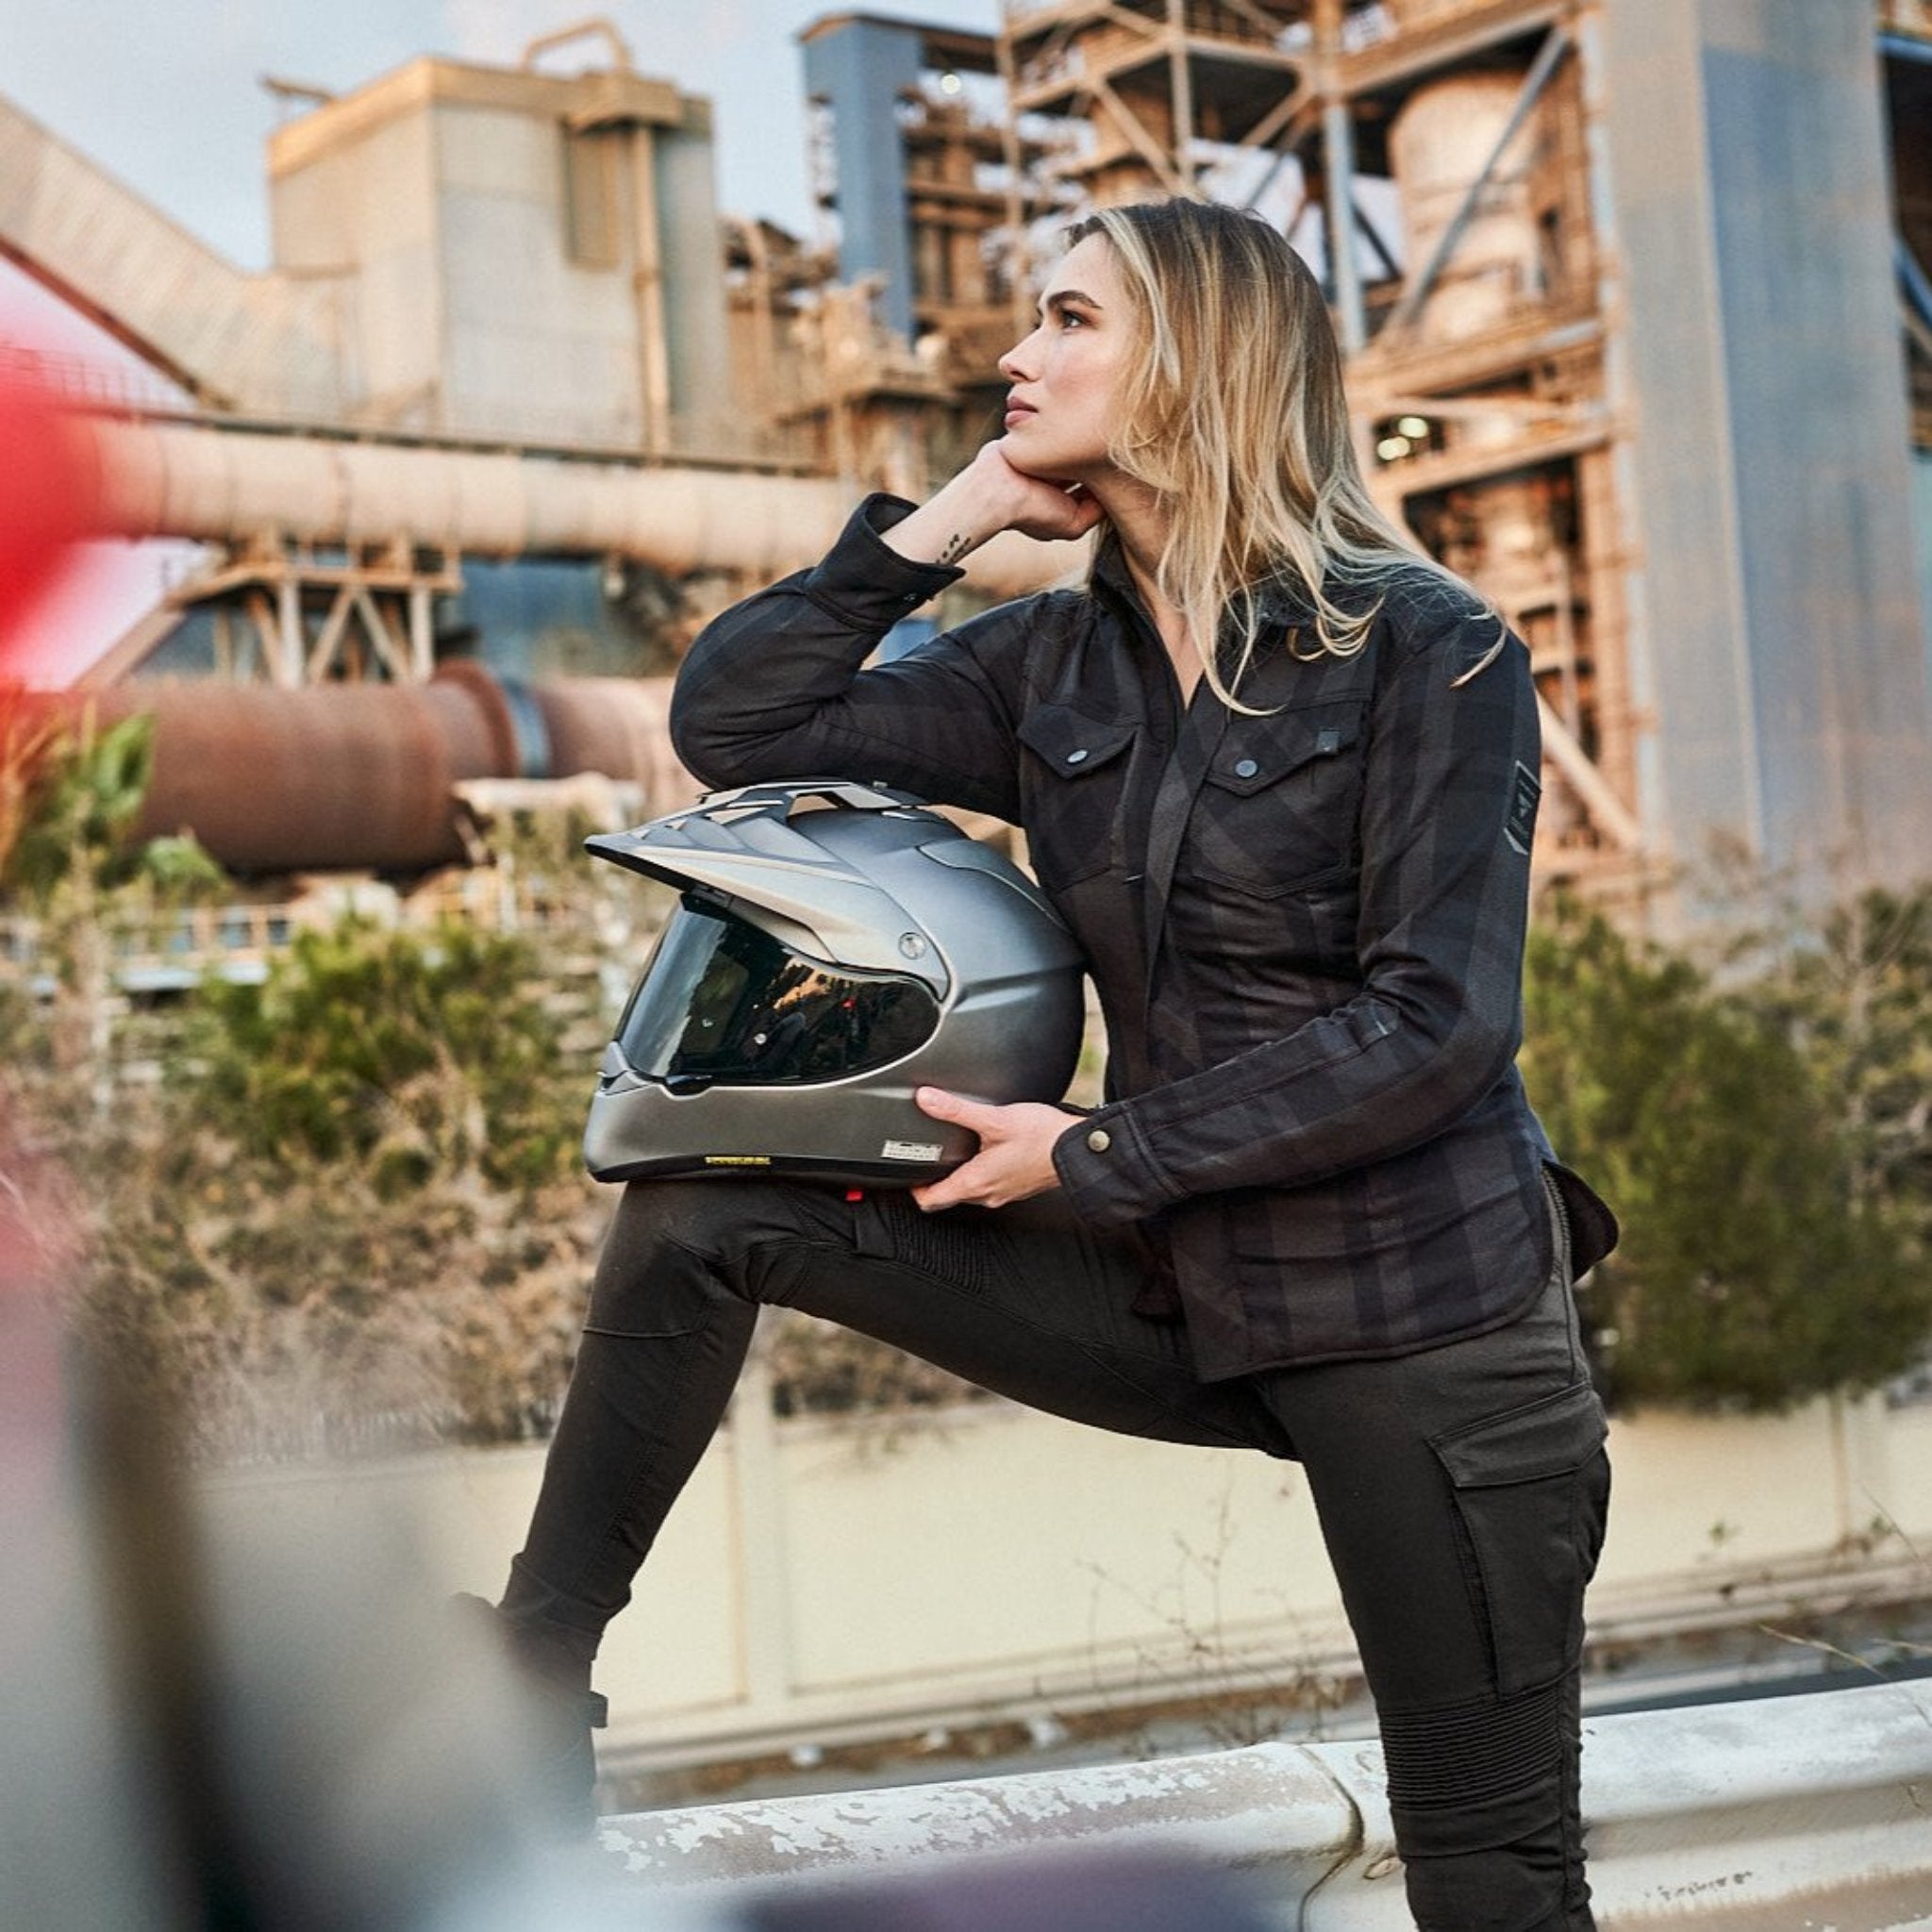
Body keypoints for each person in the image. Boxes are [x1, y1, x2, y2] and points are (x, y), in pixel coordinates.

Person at [474, 197, 1618, 1930]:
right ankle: (523, 1690)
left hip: (1422, 1328)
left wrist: (1091, 1160)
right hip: (1177, 1285)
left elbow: (1435, 1026)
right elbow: (738, 726)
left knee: (1491, 1879)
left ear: (1198, 363)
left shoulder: (1425, 645)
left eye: (1072, 319)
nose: (1017, 354)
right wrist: (951, 521)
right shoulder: (1050, 658)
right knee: (704, 1204)